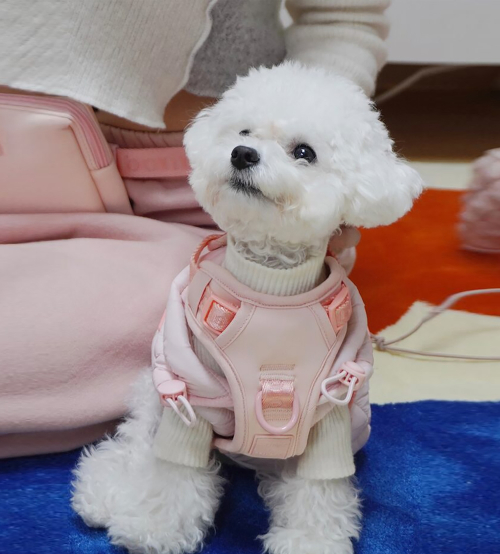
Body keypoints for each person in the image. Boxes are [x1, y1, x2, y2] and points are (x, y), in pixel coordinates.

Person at [0, 0, 390, 457]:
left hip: (198, 196)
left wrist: (319, 168)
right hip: (18, 165)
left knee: (207, 331)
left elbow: (341, 16)